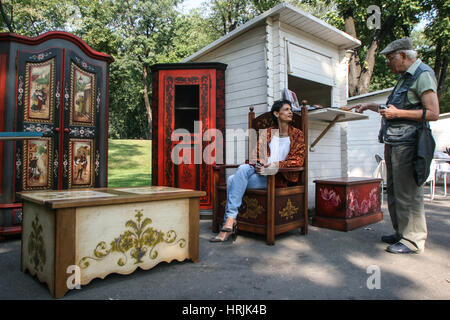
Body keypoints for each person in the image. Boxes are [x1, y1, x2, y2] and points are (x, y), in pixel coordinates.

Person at [350, 38, 440, 254]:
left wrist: (397, 113)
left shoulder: (423, 75)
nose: (388, 63)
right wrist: (371, 105)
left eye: (390, 58)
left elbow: (433, 113)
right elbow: (393, 107)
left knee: (408, 191)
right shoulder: (404, 79)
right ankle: (401, 233)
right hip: (395, 142)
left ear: (404, 55)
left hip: (410, 143)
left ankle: (413, 240)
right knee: (394, 190)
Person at [210, 100, 306, 242]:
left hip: (278, 177)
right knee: (242, 168)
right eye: (286, 109)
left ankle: (229, 221)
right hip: (261, 174)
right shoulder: (267, 133)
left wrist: (273, 165)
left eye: (291, 110)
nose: (290, 112)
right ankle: (230, 220)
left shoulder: (297, 134)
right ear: (276, 113)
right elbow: (255, 155)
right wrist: (261, 164)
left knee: (232, 180)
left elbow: (298, 160)